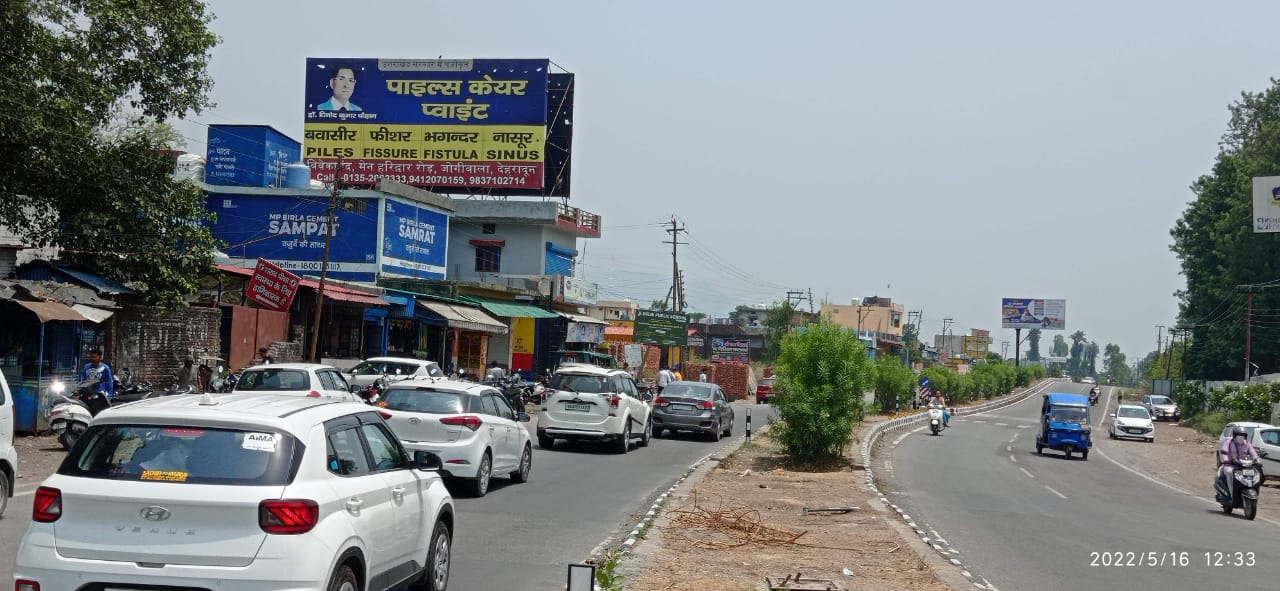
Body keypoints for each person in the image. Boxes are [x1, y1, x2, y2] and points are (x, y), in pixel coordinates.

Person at [1217, 425, 1262, 498]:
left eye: (1243, 436)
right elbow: (1224, 452)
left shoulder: (1247, 443)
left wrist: (1257, 460)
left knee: (1256, 473)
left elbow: (1253, 453)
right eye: (1239, 436)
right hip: (1230, 465)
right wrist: (1226, 459)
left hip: (1244, 466)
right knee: (1229, 472)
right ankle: (1231, 494)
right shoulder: (1228, 442)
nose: (1241, 438)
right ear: (1235, 436)